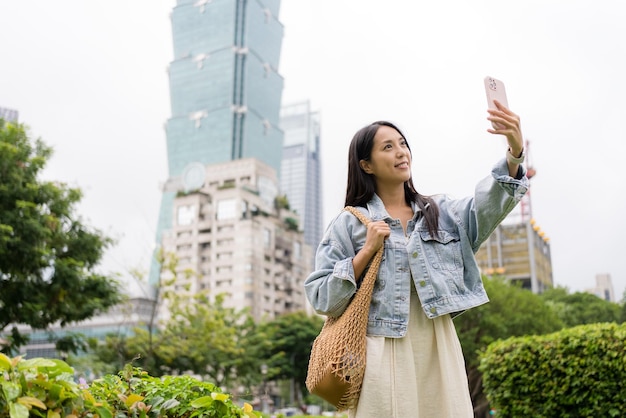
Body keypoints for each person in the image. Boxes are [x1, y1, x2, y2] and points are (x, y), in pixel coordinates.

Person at [304, 100, 529, 417]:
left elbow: (487, 205)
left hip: (436, 341)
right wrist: (366, 252)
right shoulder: (350, 223)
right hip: (380, 345)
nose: (401, 152)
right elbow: (321, 297)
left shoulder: (441, 212)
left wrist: (514, 154)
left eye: (403, 144)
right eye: (388, 147)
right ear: (366, 164)